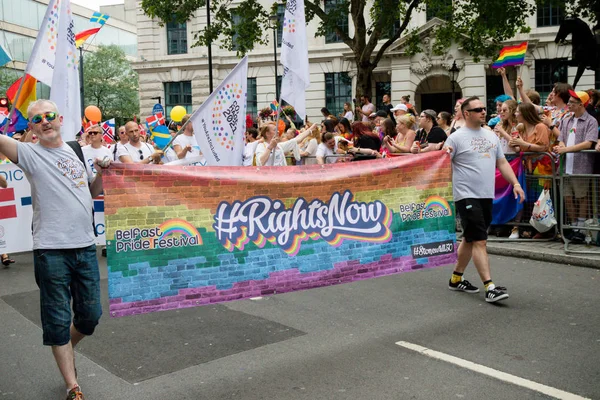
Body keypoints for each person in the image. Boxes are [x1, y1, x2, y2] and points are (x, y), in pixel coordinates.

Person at [0, 99, 108, 399]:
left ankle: (64, 348)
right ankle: (73, 386)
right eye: (37, 120)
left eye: (49, 116)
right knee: (58, 319)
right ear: (31, 129)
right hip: (51, 251)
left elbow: (91, 192)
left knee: (89, 317)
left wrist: (101, 173)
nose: (45, 121)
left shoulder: (76, 151)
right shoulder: (29, 153)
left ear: (59, 119)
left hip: (85, 248)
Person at [443, 96, 525, 303]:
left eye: (484, 108)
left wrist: (515, 183)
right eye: (477, 109)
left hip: (486, 194)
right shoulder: (455, 137)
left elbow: (502, 162)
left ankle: (456, 278)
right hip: (466, 195)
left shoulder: (491, 136)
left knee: (470, 238)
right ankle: (490, 287)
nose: (483, 111)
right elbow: (441, 166)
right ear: (466, 113)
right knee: (480, 239)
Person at [553, 90, 599, 241]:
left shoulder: (591, 121)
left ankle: (581, 227)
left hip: (581, 165)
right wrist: (561, 146)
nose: (569, 105)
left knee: (582, 197)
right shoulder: (567, 120)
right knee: (567, 197)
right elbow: (561, 138)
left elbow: (588, 142)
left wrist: (565, 149)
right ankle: (572, 227)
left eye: (572, 102)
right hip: (566, 165)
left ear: (581, 104)